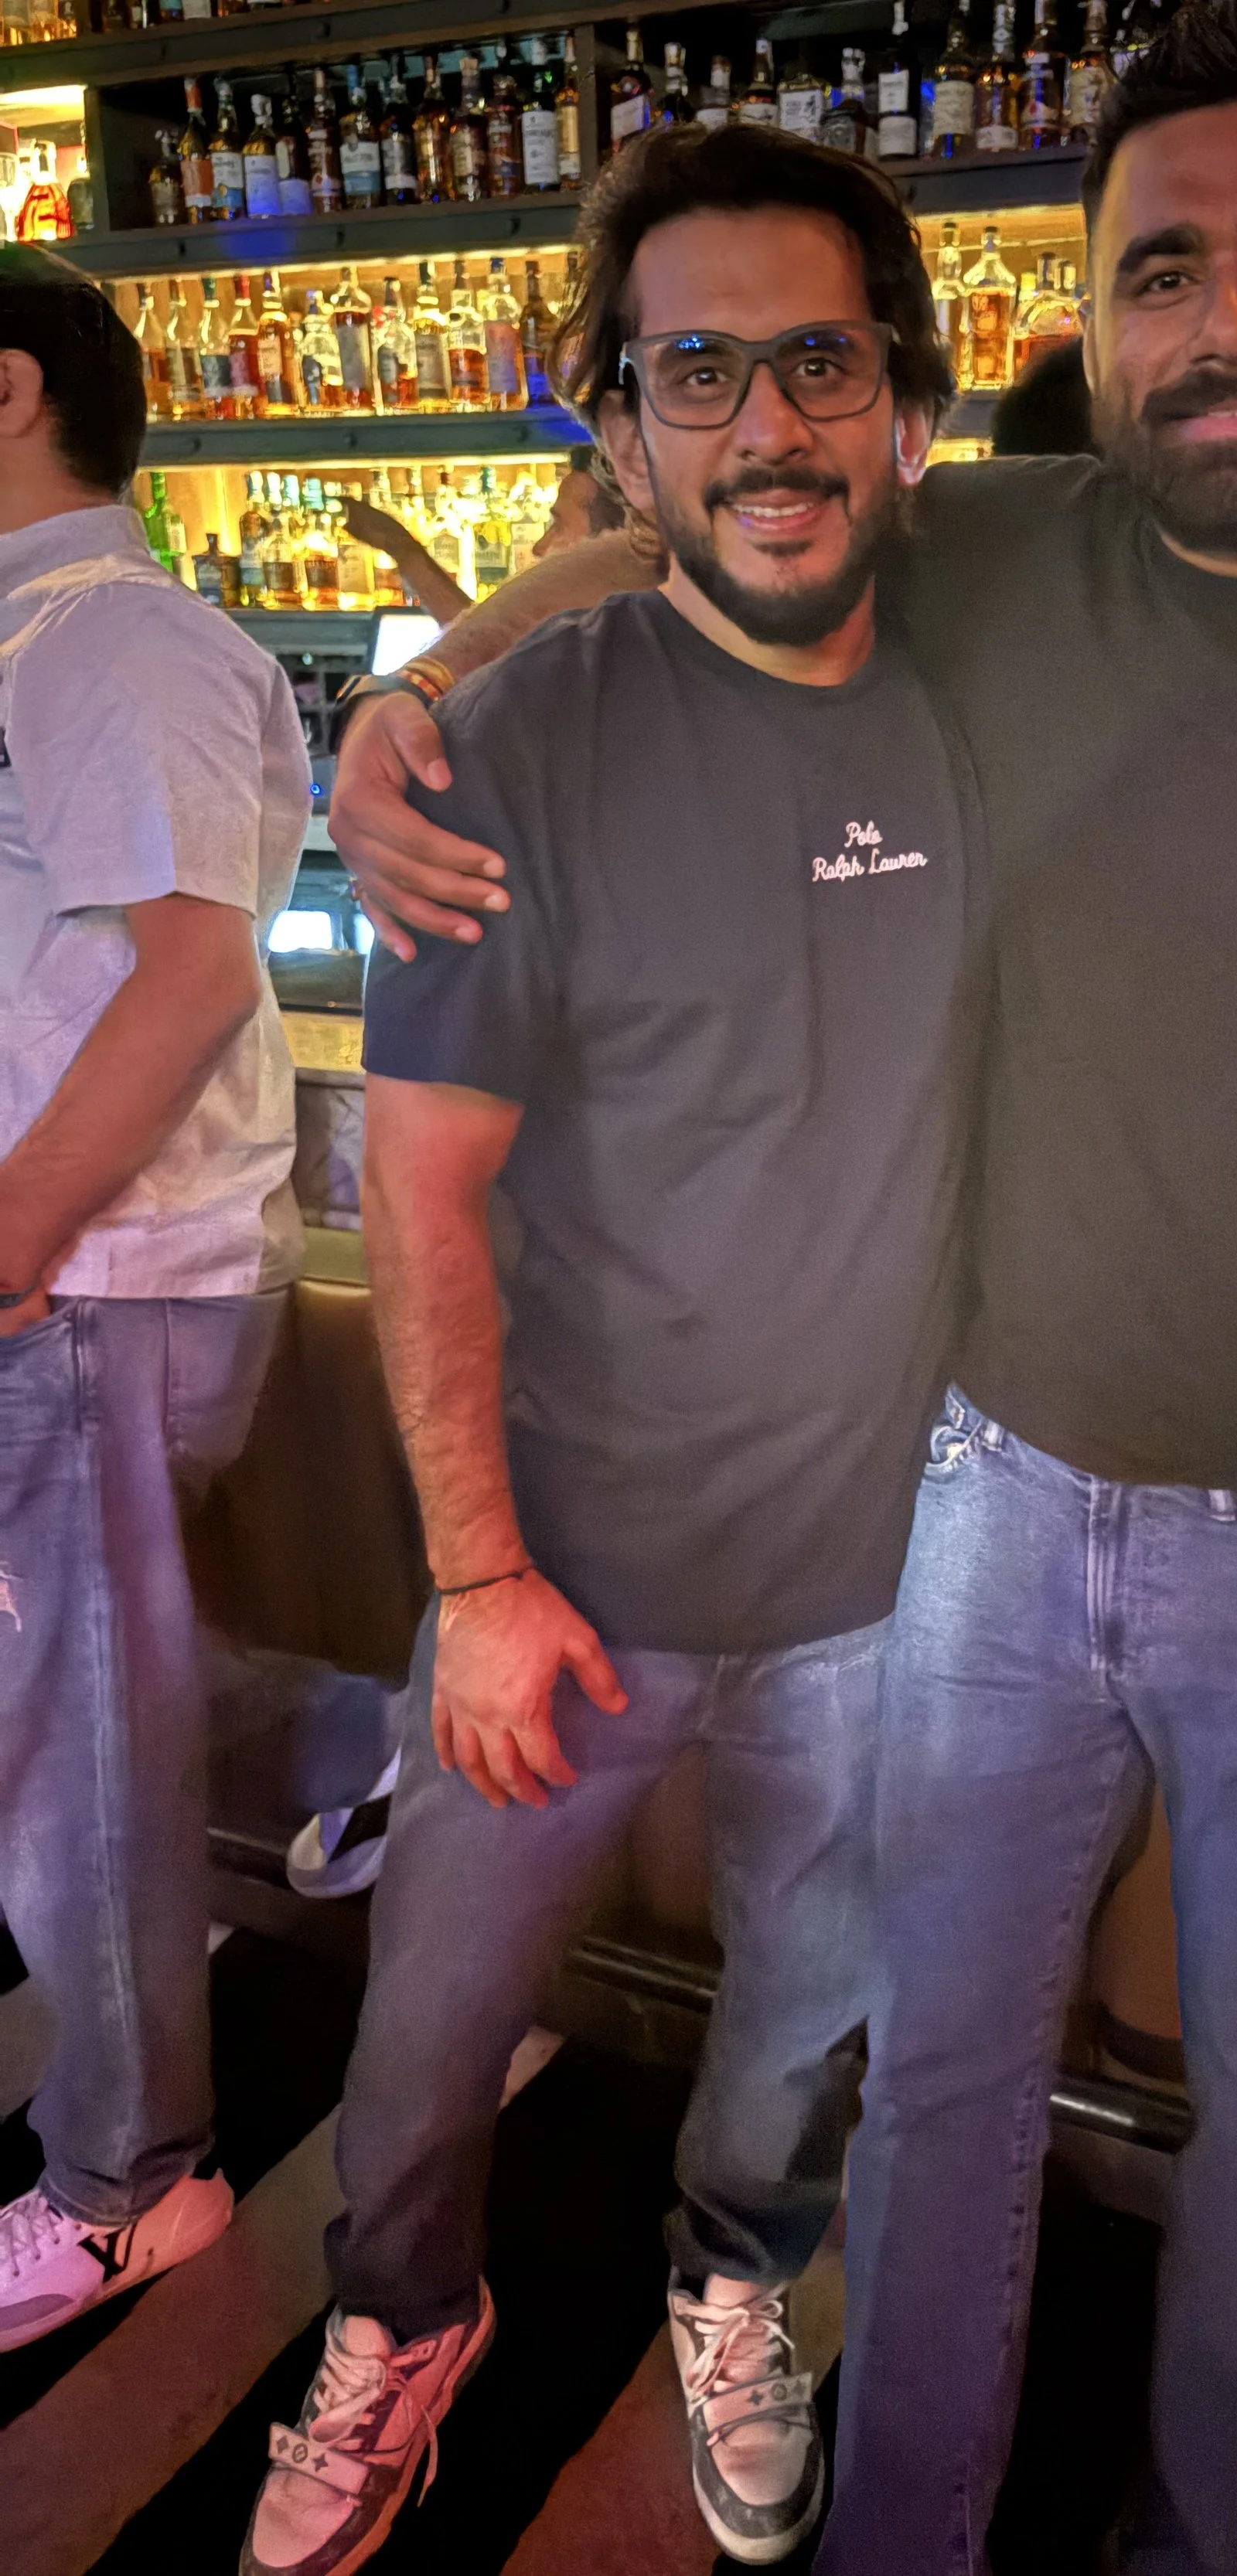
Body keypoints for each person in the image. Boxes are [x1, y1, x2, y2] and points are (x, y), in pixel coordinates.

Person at [319, 41, 1237, 2569]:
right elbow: (693, 532)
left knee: (1182, 2100)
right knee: (716, 2055)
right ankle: (618, 2415)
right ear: (1092, 325)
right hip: (862, 1527)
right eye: (1166, 269)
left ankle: (1041, 2463)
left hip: (1115, 1549)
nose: (1225, 319)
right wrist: (417, 687)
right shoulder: (926, 578)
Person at [239, 128, 972, 2576]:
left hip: (885, 1583)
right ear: (621, 423)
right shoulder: (516, 748)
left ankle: (733, 2276)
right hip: (553, 1570)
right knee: (423, 2036)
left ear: (906, 401)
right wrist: (475, 1574)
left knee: (800, 2028)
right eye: (697, 373)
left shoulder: (997, 671)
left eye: (818, 362)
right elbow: (423, 1190)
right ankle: (400, 2315)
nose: (767, 424)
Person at [0, 249, 312, 2348]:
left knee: (81, 1753)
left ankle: (131, 2183)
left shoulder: (108, 634)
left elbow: (192, 973)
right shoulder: (54, 631)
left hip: (97, 1280)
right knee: (73, 1711)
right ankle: (358, 1769)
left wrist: (10, 1239)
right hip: (73, 1272)